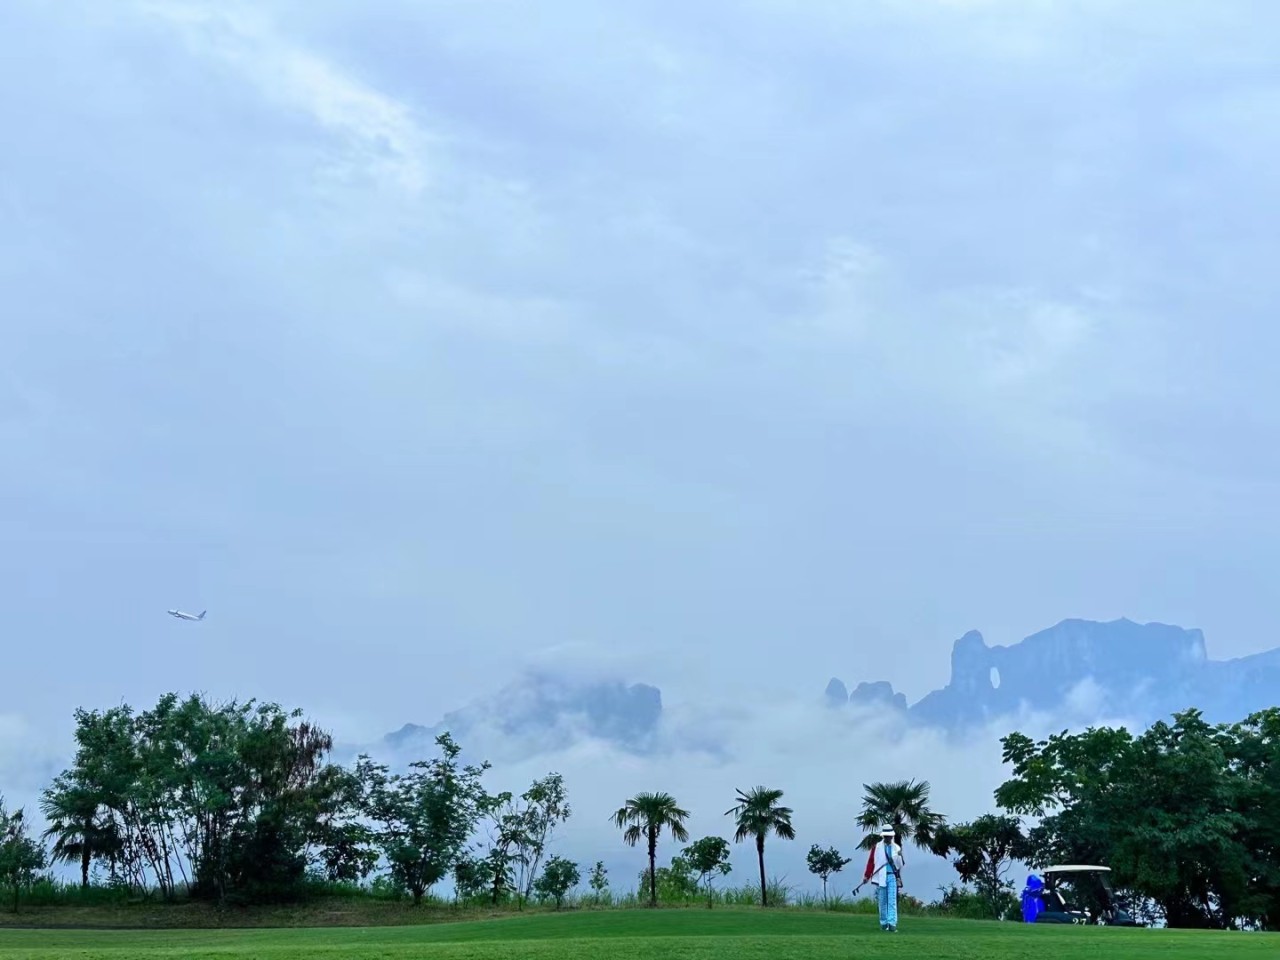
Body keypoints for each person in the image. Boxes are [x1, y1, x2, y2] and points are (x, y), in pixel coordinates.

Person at [863, 824, 905, 931]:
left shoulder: (896, 848)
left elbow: (900, 865)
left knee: (892, 900)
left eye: (889, 836)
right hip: (881, 876)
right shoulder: (877, 847)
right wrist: (867, 875)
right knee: (882, 901)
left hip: (892, 876)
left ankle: (892, 924)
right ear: (883, 836)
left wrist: (899, 856)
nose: (888, 838)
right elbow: (871, 862)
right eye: (886, 836)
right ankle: (884, 923)